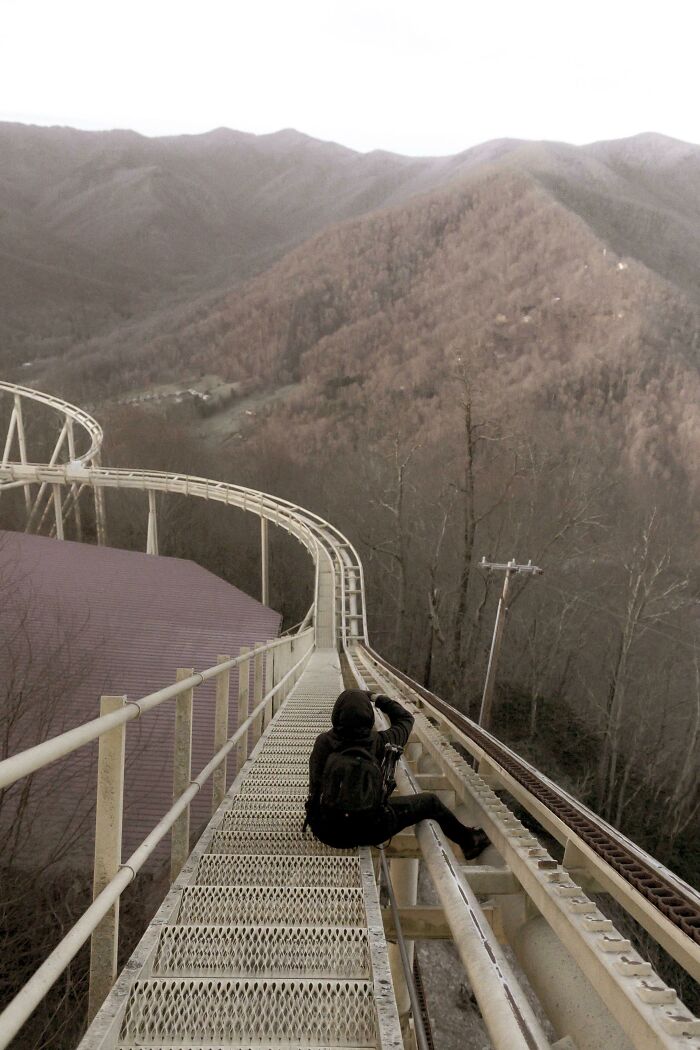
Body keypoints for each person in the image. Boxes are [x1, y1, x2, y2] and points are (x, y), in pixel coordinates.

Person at [304, 687, 489, 859]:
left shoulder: (324, 743)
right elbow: (406, 719)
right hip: (372, 828)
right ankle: (469, 841)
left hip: (328, 831)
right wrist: (378, 699)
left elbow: (315, 787)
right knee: (430, 803)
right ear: (369, 717)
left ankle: (469, 841)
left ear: (336, 715)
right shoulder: (382, 741)